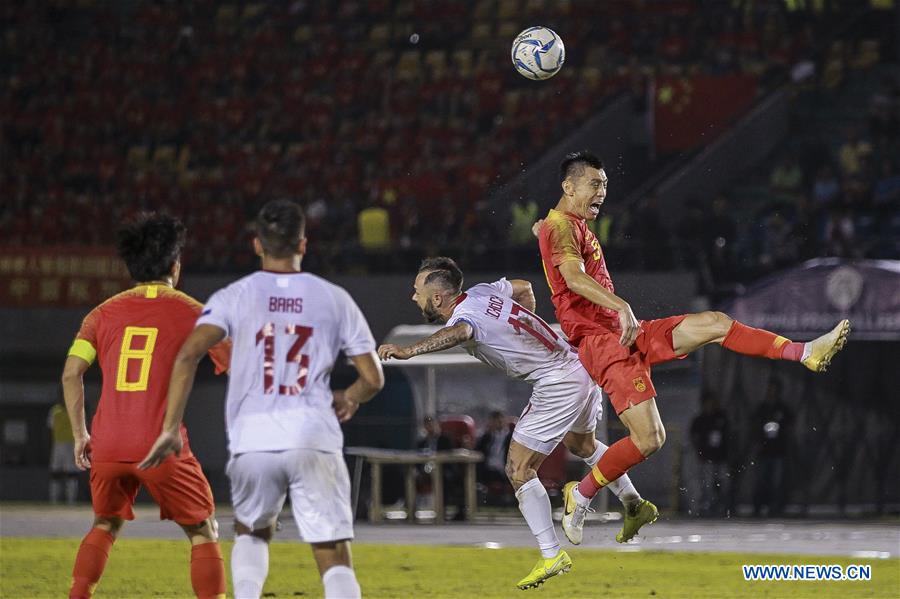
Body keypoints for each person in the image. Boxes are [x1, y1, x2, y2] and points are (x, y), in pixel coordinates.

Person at [533, 150, 850, 541]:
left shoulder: (565, 225)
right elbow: (574, 278)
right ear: (569, 186)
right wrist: (622, 306)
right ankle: (579, 496)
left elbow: (549, 240)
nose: (602, 192)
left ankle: (805, 352)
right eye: (594, 184)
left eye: (605, 185)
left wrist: (541, 229)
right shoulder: (561, 227)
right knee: (650, 439)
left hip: (624, 333)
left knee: (715, 323)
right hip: (603, 343)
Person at [140, 200, 384, 599]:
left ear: (257, 245)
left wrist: (170, 428)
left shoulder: (234, 295)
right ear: (303, 244)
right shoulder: (334, 298)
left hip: (253, 436)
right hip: (313, 434)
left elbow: (188, 354)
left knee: (251, 532)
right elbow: (372, 377)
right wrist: (349, 396)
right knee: (332, 552)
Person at [377, 257, 656, 591]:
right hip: (578, 364)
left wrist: (409, 351)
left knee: (518, 469)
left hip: (557, 381)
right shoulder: (482, 292)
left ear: (437, 298)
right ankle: (634, 504)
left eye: (417, 290)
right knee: (581, 445)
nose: (413, 297)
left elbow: (460, 331)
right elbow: (523, 288)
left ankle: (551, 554)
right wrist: (530, 335)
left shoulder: (465, 316)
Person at [60, 212, 230, 599]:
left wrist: (80, 434)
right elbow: (240, 363)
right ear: (175, 265)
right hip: (160, 444)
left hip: (106, 445)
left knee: (105, 523)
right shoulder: (196, 311)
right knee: (203, 530)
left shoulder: (100, 314)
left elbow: (72, 374)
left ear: (130, 268)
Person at [752, 378, 794, 517]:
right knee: (761, 481)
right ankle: (758, 508)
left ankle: (776, 508)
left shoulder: (782, 409)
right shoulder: (762, 408)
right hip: (764, 451)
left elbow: (789, 426)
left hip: (778, 451)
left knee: (777, 483)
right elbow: (755, 427)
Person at [689, 391, 730, 516]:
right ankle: (706, 508)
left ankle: (722, 509)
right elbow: (693, 438)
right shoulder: (699, 420)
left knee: (723, 484)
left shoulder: (721, 418)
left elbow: (729, 436)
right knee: (707, 485)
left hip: (721, 457)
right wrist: (700, 451)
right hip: (706, 458)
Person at [475, 410, 513, 503]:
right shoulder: (486, 437)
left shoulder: (512, 437)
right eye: (494, 421)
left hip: (504, 469)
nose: (497, 423)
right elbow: (477, 452)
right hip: (487, 469)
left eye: (499, 421)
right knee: (471, 472)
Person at [48, 395, 79, 504]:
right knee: (55, 473)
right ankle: (54, 501)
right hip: (58, 444)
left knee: (71, 474)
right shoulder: (54, 411)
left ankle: (71, 501)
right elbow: (50, 428)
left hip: (71, 444)